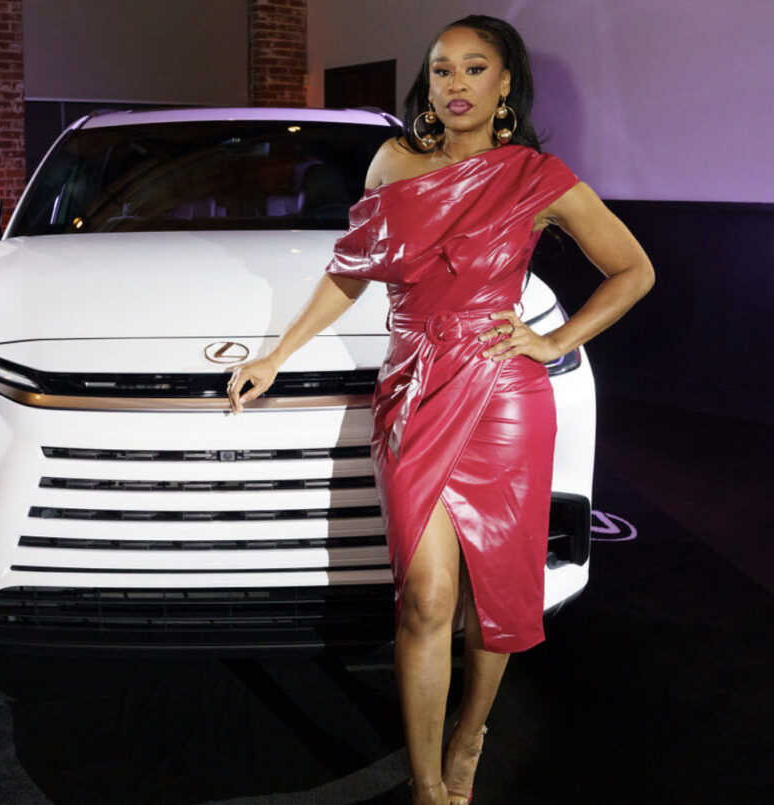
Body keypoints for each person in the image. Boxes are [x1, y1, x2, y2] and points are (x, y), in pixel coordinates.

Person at [227, 14, 653, 805]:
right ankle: (428, 787)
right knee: (426, 596)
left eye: (473, 67)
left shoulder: (537, 176)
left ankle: (470, 736)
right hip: (413, 388)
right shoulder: (392, 162)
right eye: (442, 69)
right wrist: (275, 354)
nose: (455, 83)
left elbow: (634, 269)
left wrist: (552, 339)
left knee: (495, 592)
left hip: (503, 398)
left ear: (505, 83)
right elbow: (350, 271)